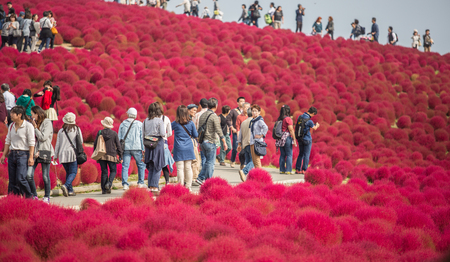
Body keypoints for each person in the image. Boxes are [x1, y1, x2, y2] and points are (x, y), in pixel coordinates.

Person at [0, 106, 35, 198]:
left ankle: (29, 196)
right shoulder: (11, 125)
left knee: (21, 178)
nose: (10, 115)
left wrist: (31, 157)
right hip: (12, 154)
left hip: (23, 155)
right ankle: (15, 199)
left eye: (12, 113)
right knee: (12, 181)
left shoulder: (28, 126)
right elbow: (8, 140)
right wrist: (4, 155)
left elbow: (32, 142)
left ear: (19, 115)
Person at [195, 98, 227, 185]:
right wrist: (224, 142)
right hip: (210, 142)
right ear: (216, 106)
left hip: (202, 142)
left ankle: (200, 178)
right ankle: (208, 181)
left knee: (207, 161)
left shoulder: (202, 115)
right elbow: (218, 130)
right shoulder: (214, 116)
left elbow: (199, 129)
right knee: (210, 163)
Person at [27, 106, 53, 203]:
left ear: (37, 113)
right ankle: (34, 195)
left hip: (44, 151)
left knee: (45, 176)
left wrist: (35, 128)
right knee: (29, 175)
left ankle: (47, 197)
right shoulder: (34, 123)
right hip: (34, 152)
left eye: (32, 114)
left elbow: (43, 137)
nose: (31, 116)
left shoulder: (47, 122)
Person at [54, 113, 83, 197]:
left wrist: (55, 156)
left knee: (68, 172)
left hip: (62, 155)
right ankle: (66, 185)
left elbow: (57, 144)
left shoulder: (61, 131)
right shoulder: (76, 129)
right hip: (72, 154)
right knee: (73, 172)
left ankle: (70, 191)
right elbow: (80, 141)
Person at [118, 108, 146, 190]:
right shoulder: (139, 124)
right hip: (137, 147)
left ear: (127, 114)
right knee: (141, 165)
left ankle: (125, 184)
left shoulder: (123, 124)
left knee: (125, 166)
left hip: (126, 148)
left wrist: (119, 149)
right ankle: (141, 183)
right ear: (136, 115)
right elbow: (142, 137)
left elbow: (119, 137)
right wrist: (143, 148)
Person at [172, 105, 198, 190]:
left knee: (180, 169)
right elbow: (195, 135)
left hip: (178, 148)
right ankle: (188, 187)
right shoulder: (190, 123)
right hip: (189, 148)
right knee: (188, 168)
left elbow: (168, 130)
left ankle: (180, 186)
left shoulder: (175, 123)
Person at [93, 117, 123, 194]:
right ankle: (109, 184)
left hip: (102, 154)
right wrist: (121, 156)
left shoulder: (100, 132)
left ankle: (104, 189)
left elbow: (95, 144)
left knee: (104, 172)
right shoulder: (114, 134)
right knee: (113, 170)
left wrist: (95, 154)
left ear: (104, 124)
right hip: (111, 155)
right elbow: (118, 146)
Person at [143, 102, 166, 192]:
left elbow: (143, 134)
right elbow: (163, 134)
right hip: (157, 145)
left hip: (148, 144)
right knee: (158, 165)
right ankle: (154, 186)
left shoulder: (145, 121)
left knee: (151, 166)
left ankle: (150, 186)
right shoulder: (160, 121)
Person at [295, 107, 319, 174]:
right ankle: (304, 170)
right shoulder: (309, 121)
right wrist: (317, 125)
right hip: (307, 139)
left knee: (300, 154)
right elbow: (314, 128)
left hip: (300, 138)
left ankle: (297, 169)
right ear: (313, 113)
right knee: (306, 155)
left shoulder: (300, 117)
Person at [275, 105, 297, 175]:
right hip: (287, 138)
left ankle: (282, 170)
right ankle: (288, 170)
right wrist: (294, 139)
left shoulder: (279, 118)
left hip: (280, 138)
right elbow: (291, 130)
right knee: (289, 154)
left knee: (282, 155)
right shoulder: (288, 119)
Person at [156, 102, 174, 185]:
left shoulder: (150, 119)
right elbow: (170, 133)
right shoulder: (165, 118)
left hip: (153, 143)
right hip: (164, 143)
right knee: (164, 163)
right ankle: (167, 181)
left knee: (156, 163)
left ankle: (155, 183)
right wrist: (164, 136)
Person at [226, 97, 245, 168]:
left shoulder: (246, 112)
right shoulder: (234, 111)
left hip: (244, 132)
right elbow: (227, 119)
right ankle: (232, 160)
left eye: (243, 101)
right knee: (235, 147)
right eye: (241, 101)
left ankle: (242, 163)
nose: (242, 103)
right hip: (236, 132)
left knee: (244, 148)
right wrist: (231, 127)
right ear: (238, 103)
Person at [248, 104, 268, 170]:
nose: (254, 112)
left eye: (256, 111)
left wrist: (261, 135)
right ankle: (256, 175)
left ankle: (260, 175)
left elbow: (265, 127)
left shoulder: (259, 120)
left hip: (257, 142)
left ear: (259, 112)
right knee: (254, 161)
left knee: (257, 161)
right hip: (252, 142)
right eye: (253, 111)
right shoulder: (253, 120)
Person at [237, 108, 253, 181]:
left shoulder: (243, 122)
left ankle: (248, 178)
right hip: (251, 144)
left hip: (245, 145)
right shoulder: (253, 122)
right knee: (253, 161)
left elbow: (240, 135)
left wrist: (239, 144)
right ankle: (244, 171)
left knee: (248, 161)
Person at [187, 103, 200, 179]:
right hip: (191, 141)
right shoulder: (190, 121)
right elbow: (195, 134)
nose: (195, 112)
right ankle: (194, 178)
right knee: (195, 161)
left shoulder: (184, 119)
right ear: (188, 110)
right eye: (194, 110)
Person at [236, 102, 250, 169]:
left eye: (248, 107)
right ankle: (242, 163)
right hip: (242, 136)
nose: (247, 108)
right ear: (242, 108)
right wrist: (239, 139)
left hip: (249, 137)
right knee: (241, 152)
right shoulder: (239, 117)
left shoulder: (251, 117)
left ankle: (246, 165)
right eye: (245, 107)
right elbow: (238, 128)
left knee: (247, 152)